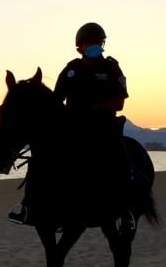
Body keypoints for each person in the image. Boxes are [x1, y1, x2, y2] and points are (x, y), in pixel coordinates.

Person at [9, 22, 134, 231]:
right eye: (90, 44)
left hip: (102, 126)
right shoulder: (70, 70)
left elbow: (119, 103)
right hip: (72, 126)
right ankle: (27, 206)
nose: (95, 46)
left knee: (118, 157)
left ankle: (125, 211)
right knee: (41, 157)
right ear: (80, 47)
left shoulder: (112, 68)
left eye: (98, 43)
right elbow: (57, 100)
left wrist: (93, 106)